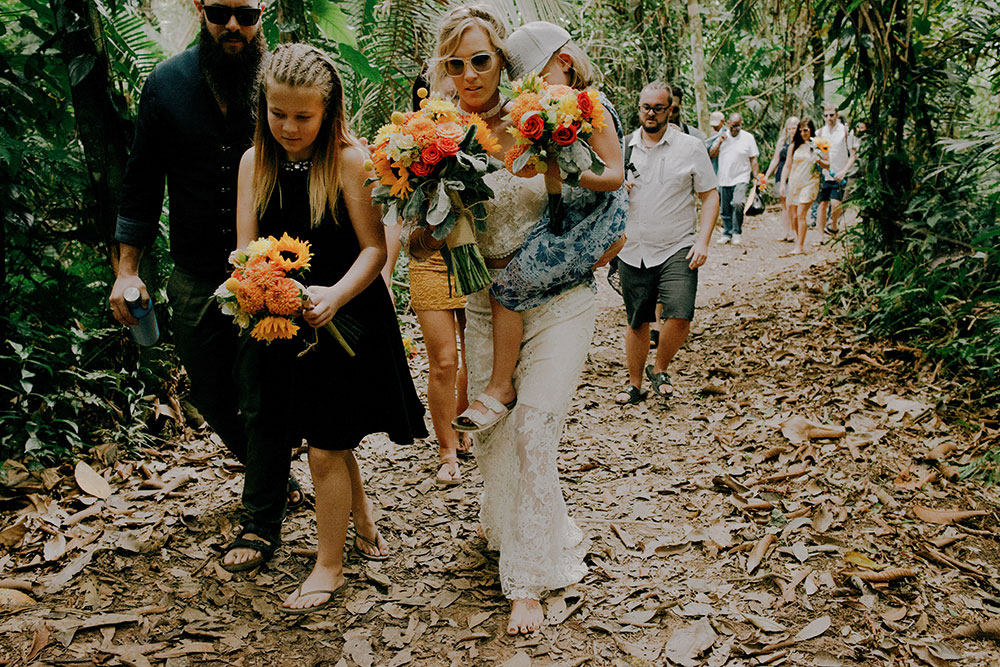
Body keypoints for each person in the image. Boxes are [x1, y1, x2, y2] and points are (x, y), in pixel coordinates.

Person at [408, 5, 599, 636]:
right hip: (488, 304)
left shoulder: (540, 118)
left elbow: (594, 198)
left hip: (560, 298)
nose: (468, 75)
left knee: (535, 432)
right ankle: (517, 523)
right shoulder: (435, 137)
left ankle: (528, 580)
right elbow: (428, 232)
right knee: (495, 438)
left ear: (502, 61)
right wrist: (424, 231)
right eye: (455, 64)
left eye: (481, 60)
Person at [107, 0, 303, 572]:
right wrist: (126, 270)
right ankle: (274, 472)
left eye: (245, 12)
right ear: (199, 9)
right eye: (220, 12)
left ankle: (260, 521)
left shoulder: (280, 81)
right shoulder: (165, 85)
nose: (233, 26)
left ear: (262, 11)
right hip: (193, 272)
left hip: (270, 271)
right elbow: (140, 183)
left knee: (260, 393)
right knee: (211, 391)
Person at [235, 43, 427, 612]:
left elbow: (374, 249)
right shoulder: (254, 162)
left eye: (303, 116)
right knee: (325, 433)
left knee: (323, 447)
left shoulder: (348, 159)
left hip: (346, 316)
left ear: (329, 110)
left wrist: (334, 295)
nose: (289, 127)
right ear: (263, 106)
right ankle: (361, 519)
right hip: (283, 321)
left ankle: (329, 566)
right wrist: (255, 285)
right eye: (278, 113)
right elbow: (245, 248)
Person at [451, 21, 626, 433]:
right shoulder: (551, 110)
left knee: (507, 288)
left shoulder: (592, 107)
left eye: (537, 77)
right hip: (567, 220)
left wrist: (558, 168)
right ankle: (499, 386)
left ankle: (500, 388)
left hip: (592, 222)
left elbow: (613, 176)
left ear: (563, 62)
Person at [614, 82, 719, 405]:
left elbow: (710, 194)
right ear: (639, 107)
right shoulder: (623, 146)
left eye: (658, 108)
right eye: (646, 107)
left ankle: (659, 369)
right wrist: (619, 191)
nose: (651, 113)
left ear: (670, 109)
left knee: (680, 313)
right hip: (634, 247)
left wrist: (703, 241)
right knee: (638, 319)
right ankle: (634, 385)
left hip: (678, 245)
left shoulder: (689, 146)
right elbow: (602, 195)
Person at [404, 71, 471, 486]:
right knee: (444, 360)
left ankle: (465, 425)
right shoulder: (406, 150)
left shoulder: (478, 138)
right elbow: (396, 220)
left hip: (474, 256)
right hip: (427, 257)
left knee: (477, 355)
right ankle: (447, 449)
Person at [780, 117, 829, 254]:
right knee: (794, 215)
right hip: (795, 182)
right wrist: (783, 183)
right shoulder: (794, 145)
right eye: (800, 130)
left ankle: (799, 246)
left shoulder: (820, 142)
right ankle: (798, 239)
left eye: (806, 130)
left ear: (811, 129)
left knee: (801, 213)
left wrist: (819, 160)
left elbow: (828, 163)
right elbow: (787, 165)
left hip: (810, 181)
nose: (803, 133)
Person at [711, 112, 759, 245]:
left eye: (738, 126)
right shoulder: (722, 136)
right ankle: (727, 232)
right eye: (732, 126)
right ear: (727, 124)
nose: (735, 129)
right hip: (724, 177)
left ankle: (737, 232)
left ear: (741, 125)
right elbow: (711, 154)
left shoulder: (748, 138)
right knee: (725, 208)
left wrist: (756, 177)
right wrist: (720, 142)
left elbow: (753, 159)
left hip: (741, 176)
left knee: (738, 203)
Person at [816, 104, 857, 235]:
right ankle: (820, 236)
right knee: (822, 205)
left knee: (835, 204)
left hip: (840, 174)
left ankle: (833, 226)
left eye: (832, 115)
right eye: (826, 115)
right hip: (825, 174)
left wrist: (844, 171)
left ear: (837, 115)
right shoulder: (820, 133)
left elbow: (853, 155)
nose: (829, 118)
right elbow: (821, 154)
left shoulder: (846, 132)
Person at [763, 116, 799, 242]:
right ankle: (787, 232)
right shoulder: (783, 142)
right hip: (782, 173)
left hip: (796, 174)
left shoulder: (801, 142)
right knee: (784, 205)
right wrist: (767, 175)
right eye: (789, 128)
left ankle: (795, 231)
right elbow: (775, 159)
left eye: (794, 128)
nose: (792, 130)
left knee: (793, 205)